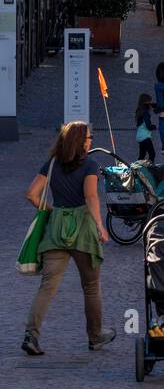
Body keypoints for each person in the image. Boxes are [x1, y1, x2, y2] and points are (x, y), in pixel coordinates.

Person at [22, 121, 115, 356]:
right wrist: (100, 226)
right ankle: (95, 337)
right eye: (88, 137)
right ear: (80, 141)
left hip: (56, 230)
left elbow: (31, 194)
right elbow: (91, 196)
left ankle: (31, 336)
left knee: (48, 287)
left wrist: (54, 211)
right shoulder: (90, 165)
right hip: (83, 229)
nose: (91, 140)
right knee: (91, 286)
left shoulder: (52, 164)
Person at [135, 94, 156, 162]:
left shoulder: (139, 111)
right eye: (150, 102)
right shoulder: (145, 113)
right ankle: (151, 169)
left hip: (140, 136)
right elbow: (148, 126)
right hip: (145, 137)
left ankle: (137, 170)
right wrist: (154, 127)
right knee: (152, 154)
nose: (151, 103)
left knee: (142, 155)